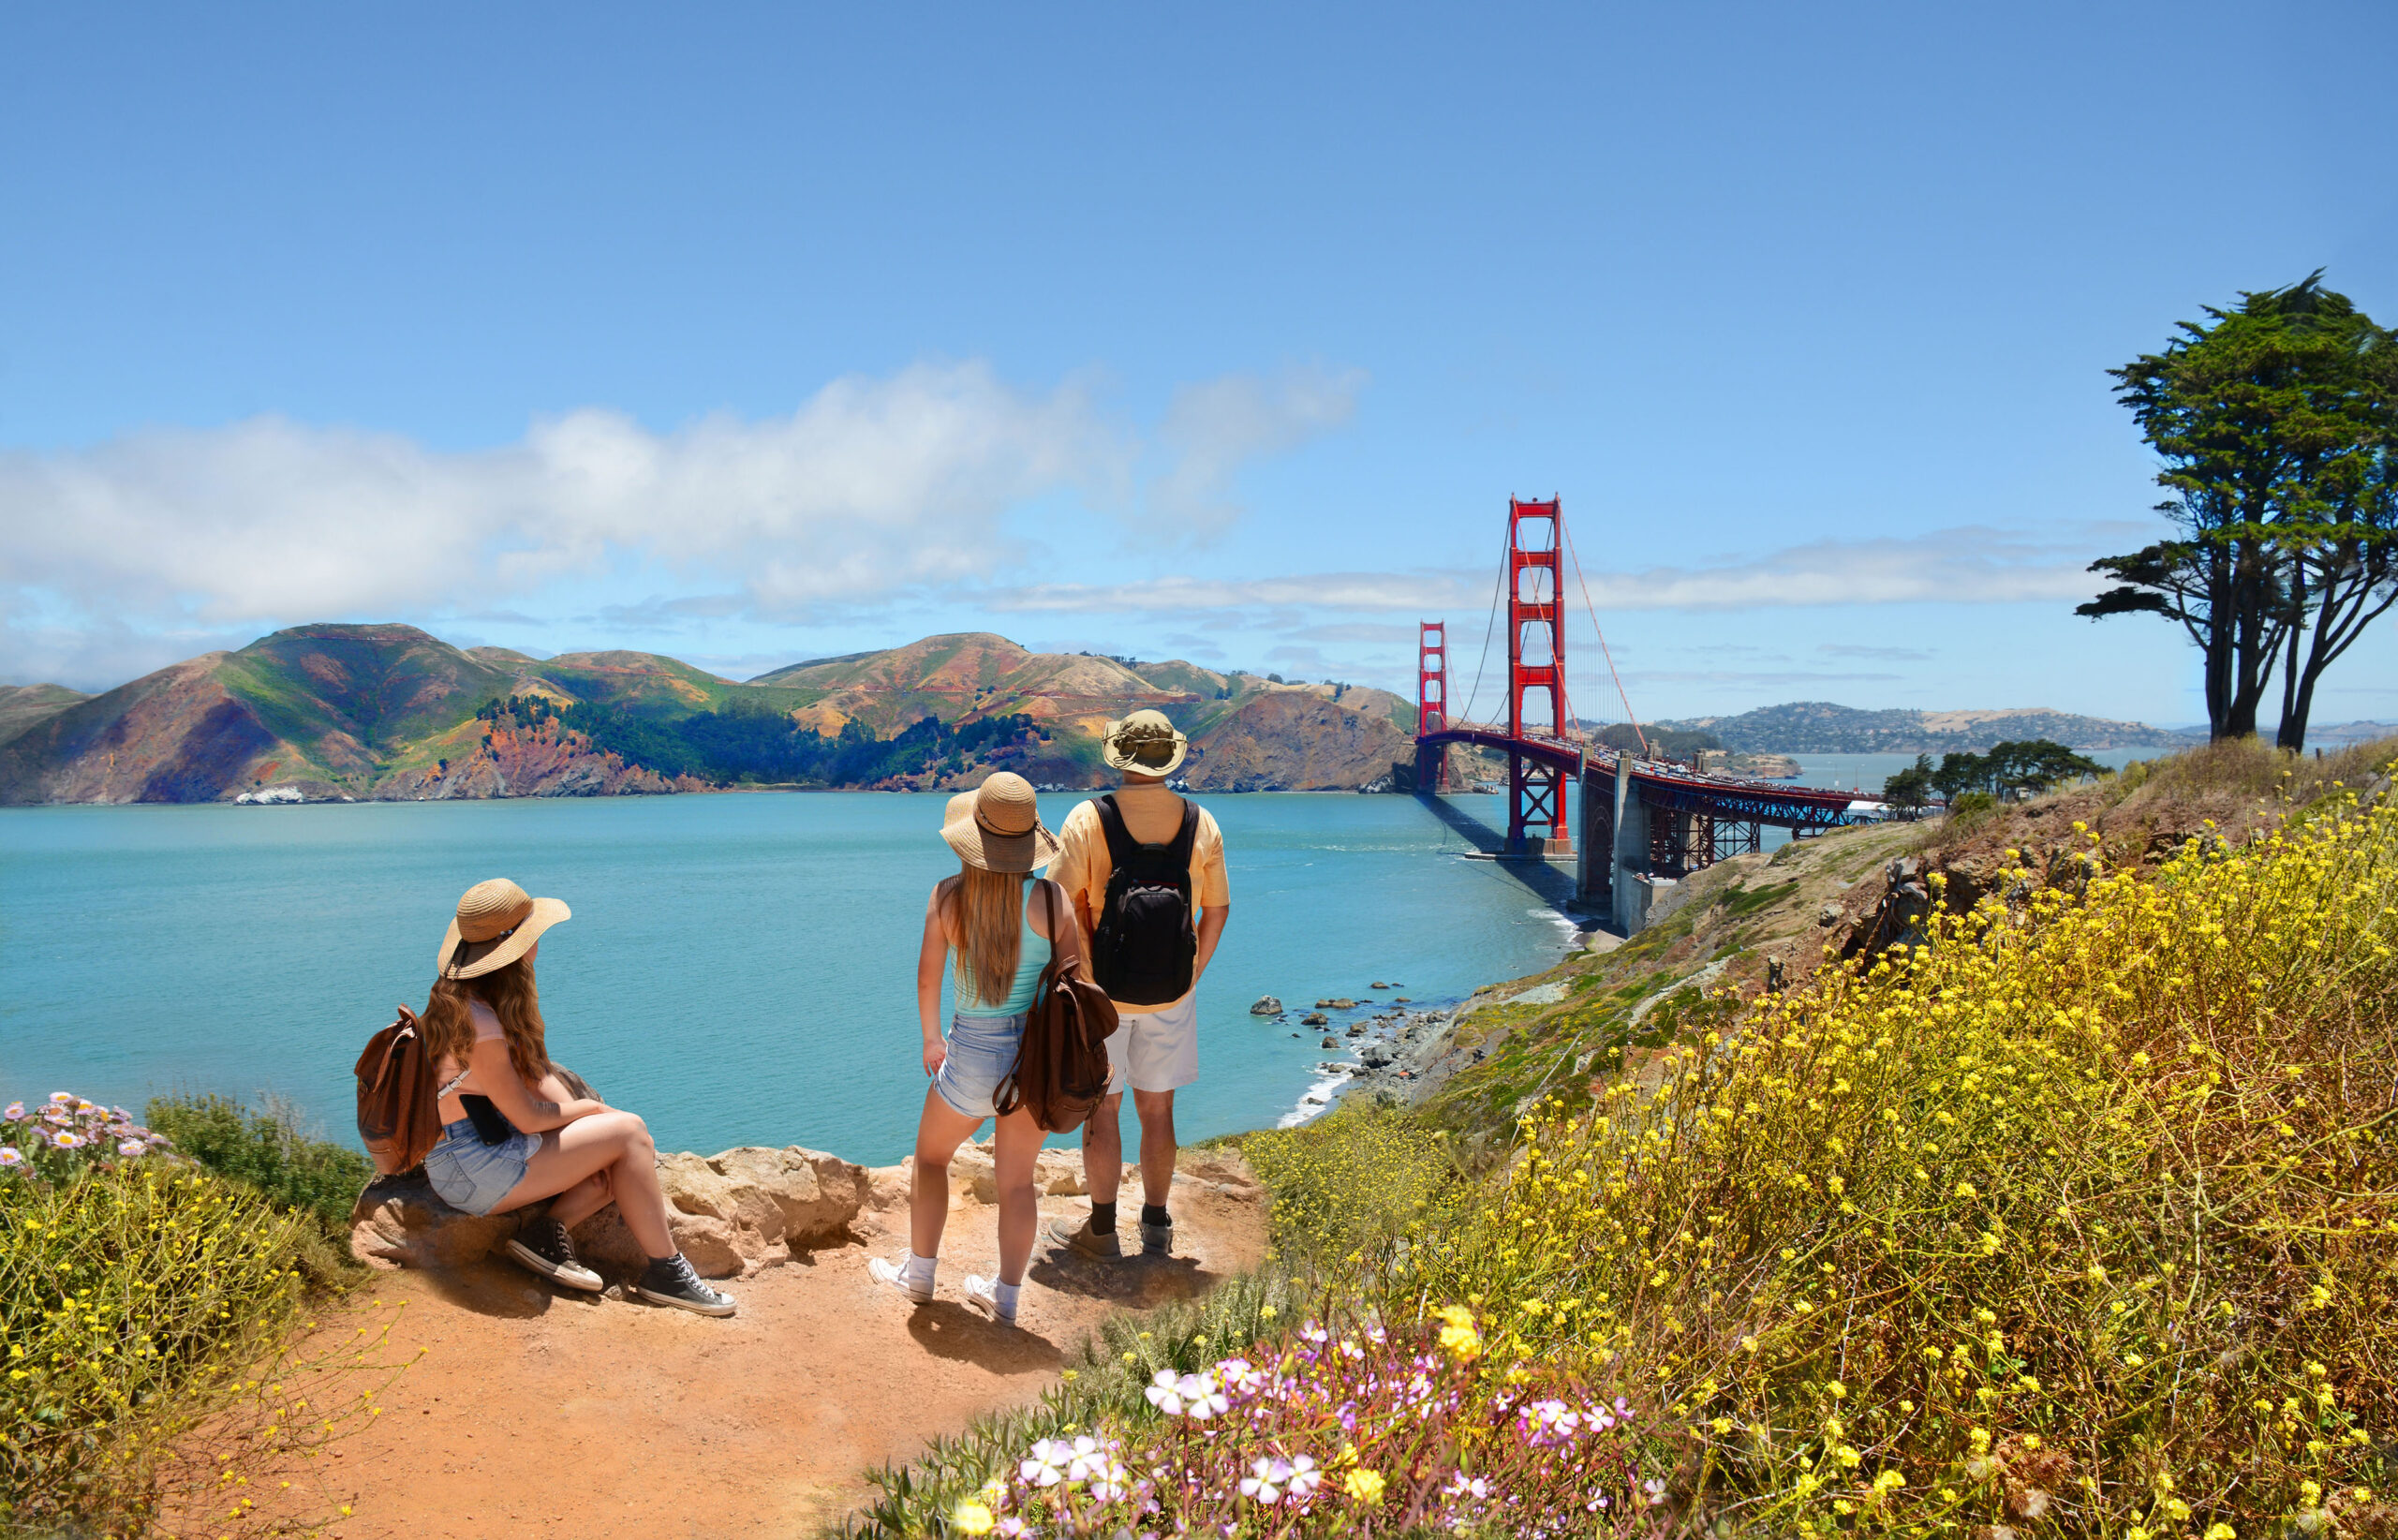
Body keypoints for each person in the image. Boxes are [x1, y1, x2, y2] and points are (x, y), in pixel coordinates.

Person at [418, 878, 735, 1317]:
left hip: (479, 1154)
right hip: (473, 1168)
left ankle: (544, 1236)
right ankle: (667, 1272)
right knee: (631, 1134)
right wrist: (593, 1111)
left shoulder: (471, 999)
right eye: (532, 934)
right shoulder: (480, 1023)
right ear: (515, 948)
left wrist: (591, 1127)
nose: (538, 943)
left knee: (614, 1160)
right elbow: (529, 1118)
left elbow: (535, 1076)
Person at [868, 772, 1080, 1325]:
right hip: (1033, 1059)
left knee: (932, 1159)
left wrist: (931, 1038)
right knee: (1016, 1183)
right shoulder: (1052, 900)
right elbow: (1078, 981)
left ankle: (919, 1276)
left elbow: (925, 979)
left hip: (970, 1053)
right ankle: (1005, 1298)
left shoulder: (947, 896)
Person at [1044, 711, 1231, 1261]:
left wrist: (1076, 978)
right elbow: (1216, 910)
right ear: (1168, 757)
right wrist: (1190, 973)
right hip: (1171, 993)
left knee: (1104, 1110)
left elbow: (1055, 903)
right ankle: (1156, 1227)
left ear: (1119, 757)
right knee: (1159, 1110)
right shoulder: (1201, 821)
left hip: (1099, 996)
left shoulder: (1088, 818)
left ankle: (1102, 1232)